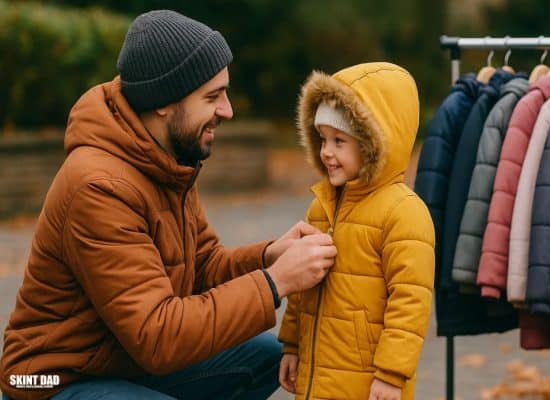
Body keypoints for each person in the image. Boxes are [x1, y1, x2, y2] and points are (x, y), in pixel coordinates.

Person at [0, 10, 337, 400]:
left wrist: (269, 256)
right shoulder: (98, 187)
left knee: (265, 355)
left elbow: (203, 268)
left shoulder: (166, 157)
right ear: (163, 102)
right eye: (212, 96)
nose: (227, 110)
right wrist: (277, 281)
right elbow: (158, 336)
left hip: (124, 360)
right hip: (50, 378)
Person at [277, 62, 435, 400]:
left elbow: (410, 301)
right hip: (317, 374)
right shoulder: (322, 205)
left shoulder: (403, 213)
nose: (326, 153)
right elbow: (300, 286)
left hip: (370, 383)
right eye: (322, 139)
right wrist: (292, 343)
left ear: (375, 142)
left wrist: (392, 373)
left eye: (339, 141)